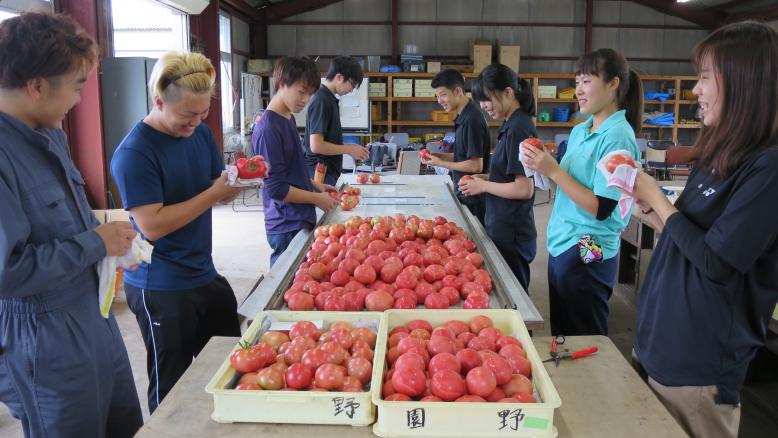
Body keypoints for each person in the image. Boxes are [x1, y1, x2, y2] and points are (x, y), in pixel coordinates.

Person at [627, 21, 778, 438]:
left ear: (745, 82)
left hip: (697, 359)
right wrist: (654, 210)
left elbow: (717, 262)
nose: (695, 90)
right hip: (661, 339)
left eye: (704, 77)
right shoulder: (721, 153)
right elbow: (690, 235)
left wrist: (657, 198)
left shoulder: (767, 167)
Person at [0, 12, 143, 437]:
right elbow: (8, 271)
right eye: (77, 86)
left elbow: (66, 225)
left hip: (92, 313)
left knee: (123, 426)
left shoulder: (48, 134)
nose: (79, 99)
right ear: (37, 85)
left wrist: (108, 251)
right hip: (44, 335)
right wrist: (94, 245)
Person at [110, 51, 243, 413]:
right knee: (171, 384)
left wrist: (234, 182)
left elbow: (211, 186)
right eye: (187, 114)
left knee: (231, 363)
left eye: (203, 114)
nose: (196, 123)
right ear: (158, 100)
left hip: (202, 270)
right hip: (160, 284)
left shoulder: (198, 134)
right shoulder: (135, 153)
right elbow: (152, 225)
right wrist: (215, 193)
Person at [523, 49, 642, 336]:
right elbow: (566, 186)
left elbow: (603, 208)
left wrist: (553, 170)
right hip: (563, 242)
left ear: (613, 84)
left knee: (584, 332)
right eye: (576, 82)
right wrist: (541, 166)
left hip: (591, 245)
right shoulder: (581, 130)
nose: (578, 90)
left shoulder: (618, 137)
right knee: (563, 331)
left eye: (586, 81)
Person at [459, 63, 537, 293]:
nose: (483, 106)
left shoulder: (518, 129)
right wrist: (485, 178)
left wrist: (483, 186)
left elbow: (524, 189)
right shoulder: (510, 124)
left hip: (512, 231)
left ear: (508, 92)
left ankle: (523, 329)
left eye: (487, 99)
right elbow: (508, 174)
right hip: (503, 223)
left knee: (515, 296)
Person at [254, 57, 339, 266]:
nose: (305, 99)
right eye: (301, 91)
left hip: (297, 217)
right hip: (285, 224)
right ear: (282, 83)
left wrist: (313, 184)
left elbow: (289, 169)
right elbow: (276, 188)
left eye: (310, 94)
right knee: (284, 285)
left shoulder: (288, 118)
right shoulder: (268, 129)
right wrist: (316, 198)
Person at [422, 68, 490, 224]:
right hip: (465, 190)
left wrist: (441, 163)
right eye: (437, 96)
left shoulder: (471, 119)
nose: (439, 100)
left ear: (458, 91)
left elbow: (476, 166)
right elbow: (464, 156)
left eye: (443, 95)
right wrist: (439, 157)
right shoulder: (463, 116)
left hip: (473, 196)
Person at [303, 56, 369, 185]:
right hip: (320, 173)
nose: (351, 90)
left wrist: (351, 147)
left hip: (327, 172)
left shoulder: (329, 98)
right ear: (339, 77)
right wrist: (348, 149)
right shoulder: (321, 100)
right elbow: (316, 145)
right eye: (352, 84)